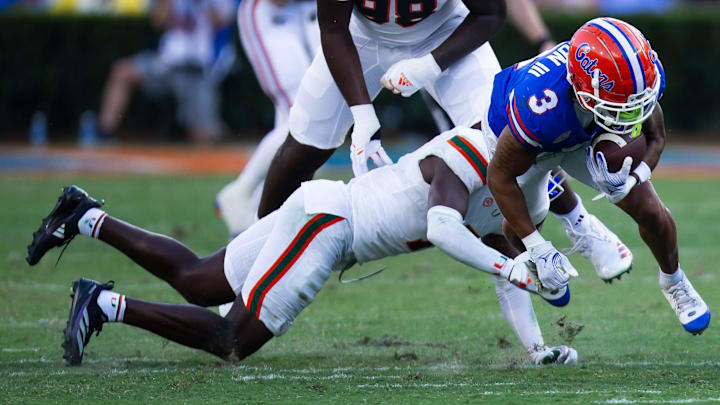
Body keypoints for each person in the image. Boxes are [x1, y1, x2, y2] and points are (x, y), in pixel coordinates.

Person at [26, 127, 577, 366]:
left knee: (199, 280)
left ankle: (86, 216)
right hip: (329, 224)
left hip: (323, 211)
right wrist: (519, 267)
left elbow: (507, 271)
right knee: (231, 339)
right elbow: (441, 227)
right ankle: (100, 305)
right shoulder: (471, 147)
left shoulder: (524, 191)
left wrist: (534, 347)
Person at [483, 17, 710, 334]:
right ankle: (564, 236)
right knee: (522, 226)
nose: (630, 114)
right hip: (522, 136)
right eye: (621, 103)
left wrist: (631, 180)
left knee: (650, 210)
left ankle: (674, 281)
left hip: (584, 130)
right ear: (584, 87)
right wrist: (537, 247)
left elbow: (656, 137)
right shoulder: (538, 103)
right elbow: (500, 177)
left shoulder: (636, 77)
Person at [216, 0, 321, 233]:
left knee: (300, 116)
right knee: (304, 117)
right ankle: (241, 192)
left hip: (306, 12)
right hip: (273, 11)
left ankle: (258, 215)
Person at [96, 0, 234, 143]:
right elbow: (158, 22)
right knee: (122, 72)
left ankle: (217, 130)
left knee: (202, 136)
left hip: (197, 71)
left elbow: (222, 21)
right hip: (166, 63)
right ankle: (105, 133)